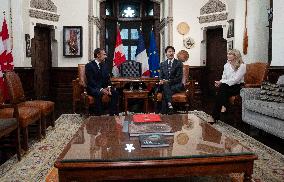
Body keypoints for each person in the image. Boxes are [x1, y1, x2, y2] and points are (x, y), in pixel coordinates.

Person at [212, 49, 246, 121]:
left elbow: (235, 80)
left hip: (238, 86)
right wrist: (219, 82)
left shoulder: (242, 66)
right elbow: (224, 77)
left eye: (230, 54)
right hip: (227, 86)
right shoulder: (226, 65)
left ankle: (216, 114)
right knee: (222, 87)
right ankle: (223, 106)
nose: (228, 55)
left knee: (222, 87)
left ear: (235, 56)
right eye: (228, 54)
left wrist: (222, 82)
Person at [85, 48, 119, 116]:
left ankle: (111, 115)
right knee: (98, 93)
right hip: (93, 88)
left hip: (104, 87)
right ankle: (99, 115)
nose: (105, 56)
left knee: (115, 93)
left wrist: (108, 87)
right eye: (104, 54)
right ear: (98, 55)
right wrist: (101, 89)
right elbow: (91, 81)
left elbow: (108, 79)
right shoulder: (89, 65)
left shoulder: (104, 65)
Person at [158, 46, 184, 114]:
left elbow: (179, 78)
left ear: (174, 53)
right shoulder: (162, 64)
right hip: (165, 85)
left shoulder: (179, 63)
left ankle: (163, 110)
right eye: (169, 52)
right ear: (166, 54)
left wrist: (168, 82)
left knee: (165, 89)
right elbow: (160, 76)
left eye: (172, 51)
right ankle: (170, 106)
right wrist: (161, 80)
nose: (171, 53)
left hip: (176, 85)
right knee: (165, 86)